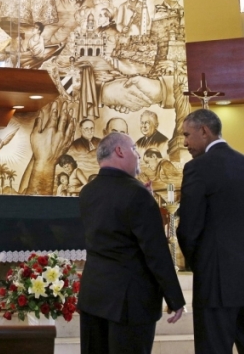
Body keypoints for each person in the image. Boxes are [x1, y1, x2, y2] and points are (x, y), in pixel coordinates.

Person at [177, 109, 244, 354]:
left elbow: (189, 229)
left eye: (187, 135)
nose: (185, 142)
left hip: (217, 284)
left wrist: (196, 264)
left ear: (204, 131)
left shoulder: (198, 168)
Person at [78, 132, 186, 354]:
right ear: (120, 151)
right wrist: (174, 297)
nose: (138, 156)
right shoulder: (136, 193)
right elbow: (154, 250)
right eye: (135, 150)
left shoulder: (87, 191)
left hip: (93, 296)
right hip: (130, 301)